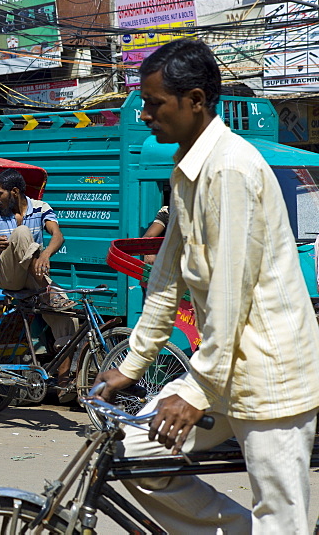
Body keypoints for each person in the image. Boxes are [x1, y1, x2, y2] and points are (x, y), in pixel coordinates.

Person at [94, 38, 319, 533]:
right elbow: (166, 277)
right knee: (134, 450)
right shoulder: (187, 171)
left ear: (195, 101)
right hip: (220, 368)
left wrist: (195, 391)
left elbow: (228, 294)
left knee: (282, 517)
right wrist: (131, 364)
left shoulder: (231, 168)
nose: (146, 115)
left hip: (269, 372)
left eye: (155, 104)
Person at [0, 168, 74, 335]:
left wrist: (45, 255)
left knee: (68, 318)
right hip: (9, 276)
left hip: (34, 276)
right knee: (22, 232)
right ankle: (49, 291)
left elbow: (58, 236)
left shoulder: (41, 207)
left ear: (15, 192)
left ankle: (61, 360)